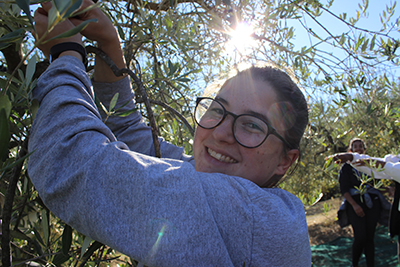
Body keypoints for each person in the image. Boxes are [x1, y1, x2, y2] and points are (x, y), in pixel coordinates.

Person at [28, 1, 311, 266]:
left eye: (252, 125)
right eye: (217, 110)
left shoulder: (253, 217)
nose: (222, 133)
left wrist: (65, 53)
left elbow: (67, 158)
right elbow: (127, 131)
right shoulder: (202, 174)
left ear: (285, 160)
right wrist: (109, 42)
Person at [328, 149, 400, 264]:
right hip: (358, 204)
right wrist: (351, 157)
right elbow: (384, 165)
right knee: (360, 237)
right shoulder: (347, 169)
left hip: (371, 205)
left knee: (369, 238)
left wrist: (382, 165)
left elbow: (386, 167)